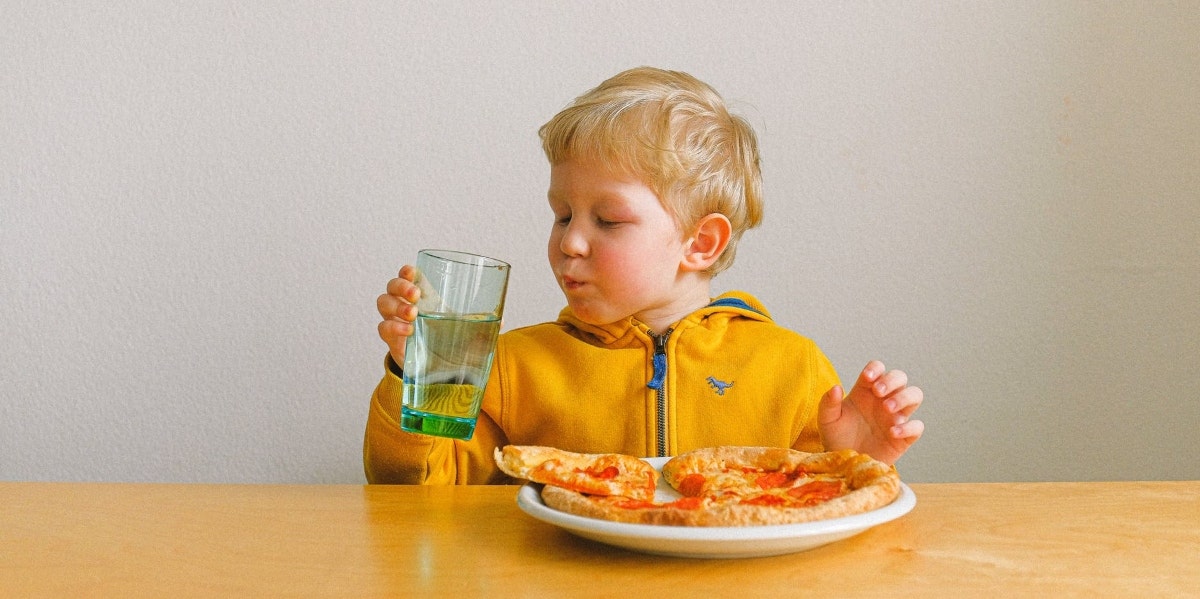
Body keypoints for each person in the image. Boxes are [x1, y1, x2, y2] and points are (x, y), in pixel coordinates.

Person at [365, 66, 924, 484]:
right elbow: (415, 492)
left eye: (607, 219)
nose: (569, 241)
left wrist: (857, 462)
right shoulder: (514, 369)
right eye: (561, 214)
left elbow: (817, 511)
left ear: (700, 243)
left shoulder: (792, 369)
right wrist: (417, 373)